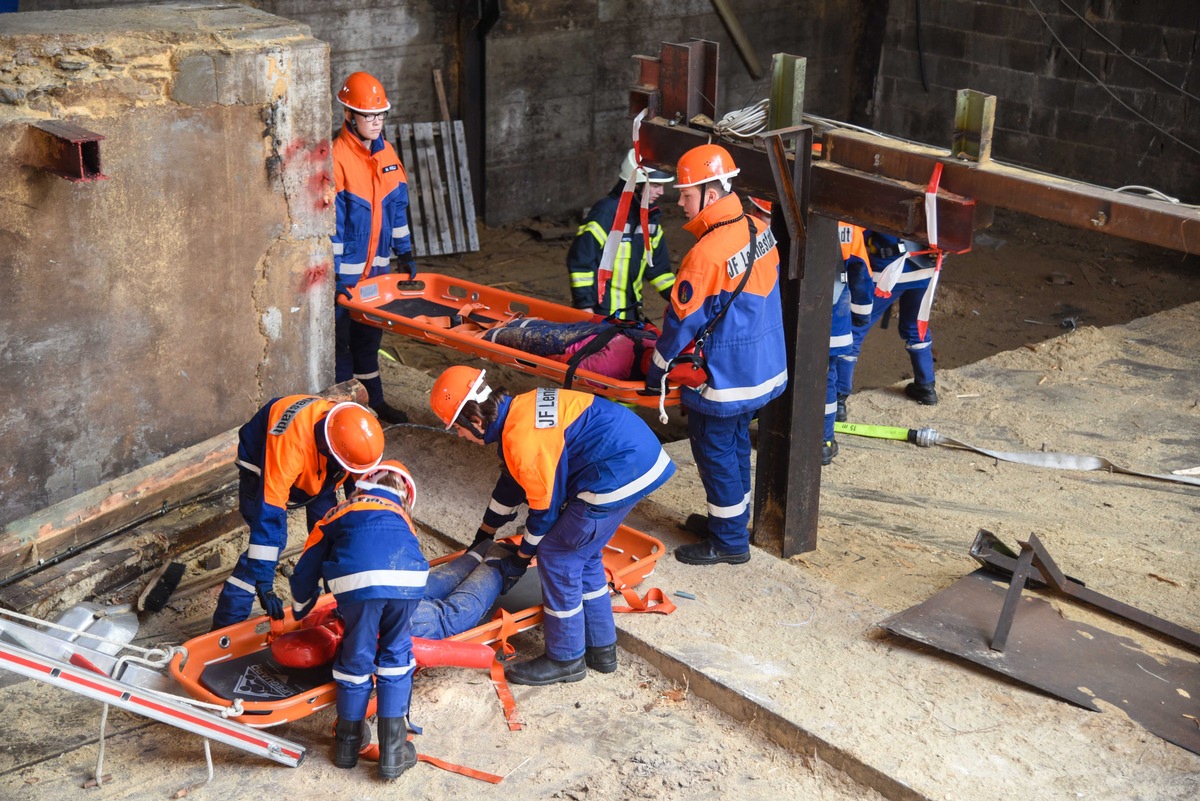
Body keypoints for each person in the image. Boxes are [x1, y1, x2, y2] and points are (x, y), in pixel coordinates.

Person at [430, 365, 676, 686]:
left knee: (557, 556)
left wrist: (520, 560)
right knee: (584, 556)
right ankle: (602, 649)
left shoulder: (522, 438)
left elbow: (543, 514)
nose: (459, 436)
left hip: (617, 470)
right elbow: (512, 483)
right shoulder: (519, 409)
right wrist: (484, 534)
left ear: (475, 420)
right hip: (639, 457)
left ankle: (566, 659)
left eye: (457, 429)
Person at [643, 145, 787, 566]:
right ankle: (732, 523)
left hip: (723, 379)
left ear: (710, 192)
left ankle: (728, 542)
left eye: (686, 193)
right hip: (761, 367)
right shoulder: (760, 229)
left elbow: (681, 322)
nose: (680, 201)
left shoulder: (704, 255)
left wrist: (659, 368)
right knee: (736, 445)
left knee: (716, 452)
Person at [289, 460, 427, 779]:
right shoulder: (402, 516)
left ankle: (346, 749)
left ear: (365, 481)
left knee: (355, 659)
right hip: (410, 583)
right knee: (396, 657)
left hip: (359, 587)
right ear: (404, 494)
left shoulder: (339, 512)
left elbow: (308, 563)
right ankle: (393, 754)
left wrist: (301, 607)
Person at [211, 396, 384, 631]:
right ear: (332, 452)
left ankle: (338, 605)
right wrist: (265, 580)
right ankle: (225, 625)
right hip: (261, 469)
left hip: (321, 472)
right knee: (270, 545)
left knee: (330, 536)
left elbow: (362, 490)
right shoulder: (291, 447)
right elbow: (269, 512)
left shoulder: (353, 430)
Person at [332, 71, 412, 425]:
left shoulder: (387, 154)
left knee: (368, 344)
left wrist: (405, 251)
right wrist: (332, 279)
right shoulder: (337, 157)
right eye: (368, 115)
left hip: (376, 276)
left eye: (380, 115)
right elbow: (330, 226)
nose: (376, 121)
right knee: (341, 350)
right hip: (342, 281)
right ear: (350, 116)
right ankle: (348, 414)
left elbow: (397, 209)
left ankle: (375, 402)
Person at [567, 149, 675, 321]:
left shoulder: (649, 220)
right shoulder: (606, 214)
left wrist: (682, 300)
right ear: (637, 184)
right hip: (600, 314)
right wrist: (584, 306)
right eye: (655, 185)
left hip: (631, 314)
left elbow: (659, 271)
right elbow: (581, 262)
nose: (661, 192)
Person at [839, 232, 939, 411]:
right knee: (916, 326)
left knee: (854, 329)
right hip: (926, 267)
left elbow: (857, 231)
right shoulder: (935, 202)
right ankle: (926, 386)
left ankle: (839, 398)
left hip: (887, 271)